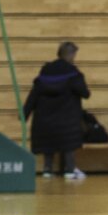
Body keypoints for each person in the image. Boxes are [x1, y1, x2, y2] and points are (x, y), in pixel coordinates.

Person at [22, 41, 91, 180]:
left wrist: (25, 113)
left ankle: (47, 170)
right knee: (68, 145)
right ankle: (69, 171)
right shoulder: (73, 73)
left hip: (45, 118)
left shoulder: (45, 72)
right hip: (67, 117)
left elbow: (34, 94)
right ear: (71, 54)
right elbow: (85, 93)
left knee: (48, 145)